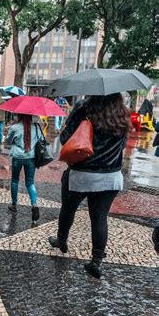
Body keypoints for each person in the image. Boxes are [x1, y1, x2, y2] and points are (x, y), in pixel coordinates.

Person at [48, 93, 129, 279]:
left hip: (82, 174)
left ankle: (62, 240)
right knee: (100, 217)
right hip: (111, 176)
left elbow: (66, 139)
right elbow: (123, 144)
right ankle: (96, 261)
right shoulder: (122, 114)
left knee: (68, 208)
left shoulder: (84, 108)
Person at [4, 114, 40, 221]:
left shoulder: (15, 127)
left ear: (19, 116)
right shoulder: (36, 127)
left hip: (17, 157)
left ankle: (14, 204)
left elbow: (8, 141)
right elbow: (41, 140)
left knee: (15, 180)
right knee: (30, 182)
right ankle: (34, 205)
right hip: (31, 157)